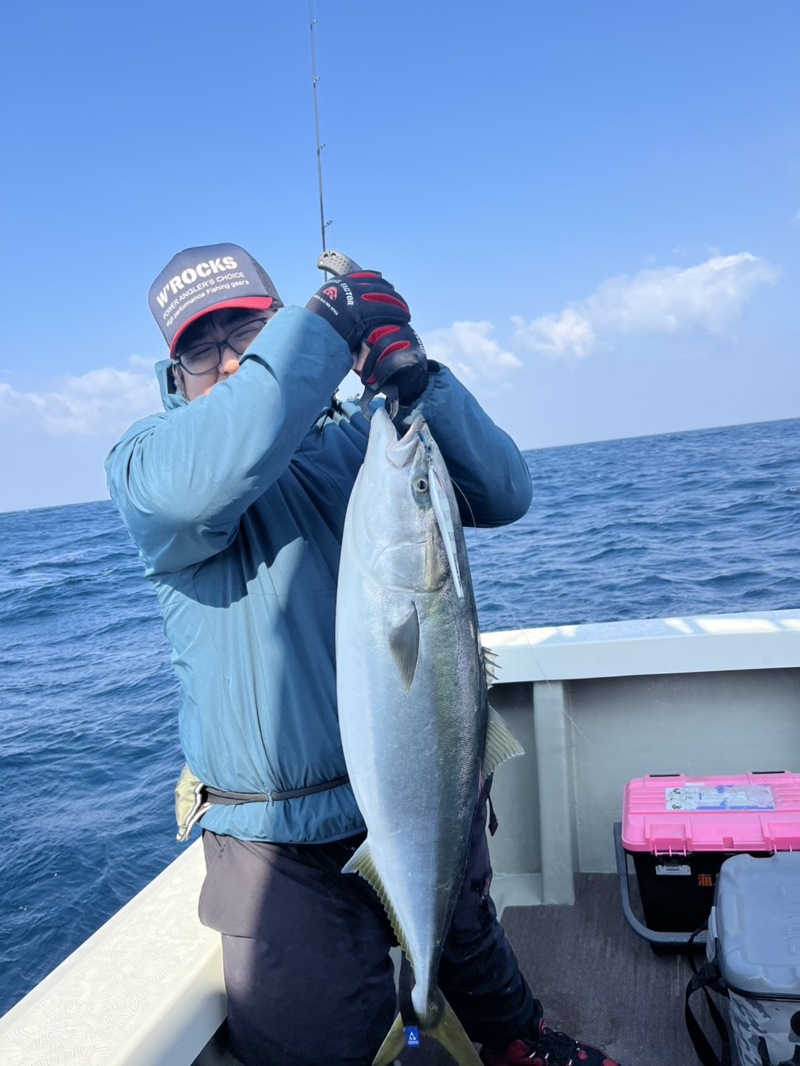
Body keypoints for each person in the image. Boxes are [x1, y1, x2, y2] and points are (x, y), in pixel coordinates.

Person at [106, 242, 621, 1066]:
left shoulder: (363, 443)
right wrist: (323, 331)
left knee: (465, 933)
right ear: (175, 376)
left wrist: (413, 381)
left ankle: (514, 1039)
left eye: (247, 333)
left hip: (420, 775)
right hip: (278, 840)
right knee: (315, 1041)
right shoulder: (151, 468)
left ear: (276, 326)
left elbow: (503, 492)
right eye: (203, 350)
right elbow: (211, 470)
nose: (229, 361)